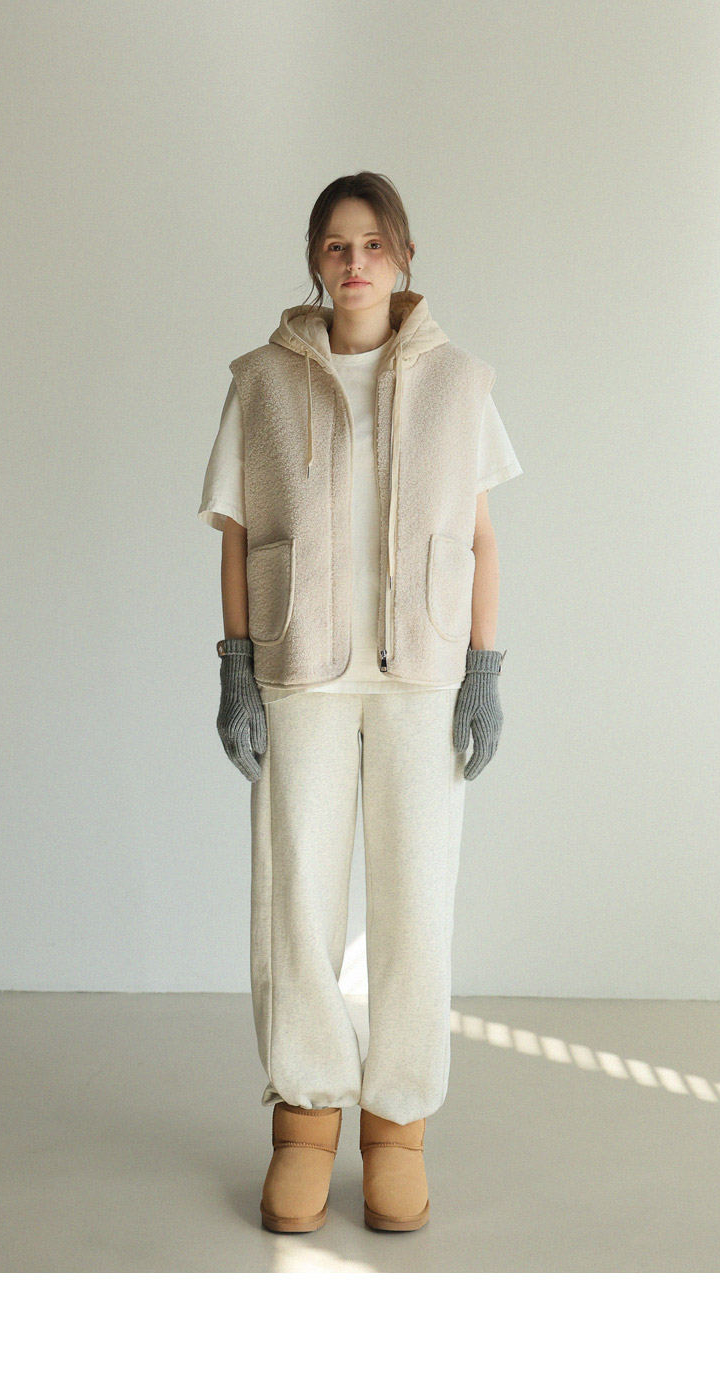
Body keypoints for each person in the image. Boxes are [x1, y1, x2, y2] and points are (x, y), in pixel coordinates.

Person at [198, 171, 522, 1234]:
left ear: (404, 257)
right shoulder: (260, 382)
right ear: (315, 260)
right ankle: (304, 1117)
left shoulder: (460, 383)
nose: (355, 263)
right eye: (336, 245)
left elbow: (480, 538)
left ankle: (397, 1126)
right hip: (299, 668)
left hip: (421, 674)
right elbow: (237, 535)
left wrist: (484, 670)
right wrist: (235, 665)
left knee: (416, 900)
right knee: (296, 893)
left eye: (373, 243)